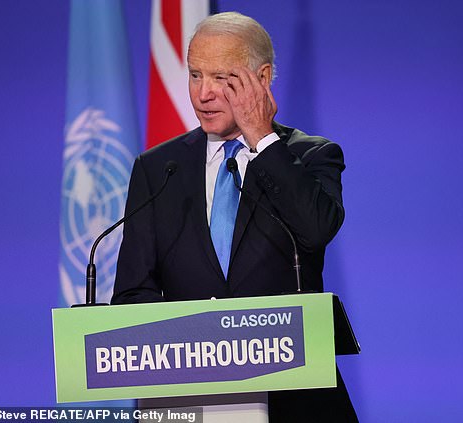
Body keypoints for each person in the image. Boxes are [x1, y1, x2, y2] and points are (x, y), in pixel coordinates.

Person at [112, 11, 357, 422]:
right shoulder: (158, 169)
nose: (203, 93)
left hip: (293, 396)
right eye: (194, 75)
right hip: (187, 398)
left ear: (262, 79)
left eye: (223, 78)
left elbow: (316, 230)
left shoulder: (310, 156)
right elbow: (132, 293)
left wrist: (262, 139)